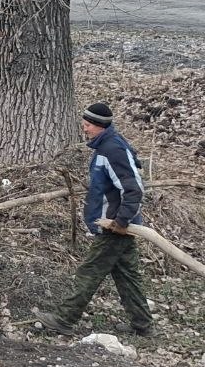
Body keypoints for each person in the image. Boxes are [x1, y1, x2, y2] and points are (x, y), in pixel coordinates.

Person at [36, 102, 153, 337]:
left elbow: (133, 189)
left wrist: (120, 222)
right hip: (115, 224)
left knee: (89, 271)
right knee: (126, 274)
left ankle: (64, 318)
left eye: (88, 125)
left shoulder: (113, 150)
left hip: (115, 226)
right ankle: (143, 325)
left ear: (100, 126)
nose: (84, 129)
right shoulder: (104, 148)